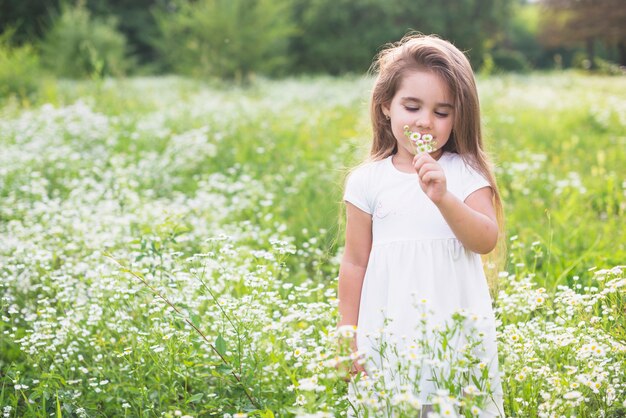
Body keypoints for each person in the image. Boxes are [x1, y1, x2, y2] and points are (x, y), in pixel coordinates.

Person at [338, 34, 504, 417]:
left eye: (442, 112)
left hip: (454, 338)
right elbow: (354, 263)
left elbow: (486, 239)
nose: (425, 122)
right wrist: (348, 338)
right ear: (385, 107)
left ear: (458, 117)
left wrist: (443, 196)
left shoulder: (463, 172)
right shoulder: (367, 181)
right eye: (412, 106)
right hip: (390, 335)